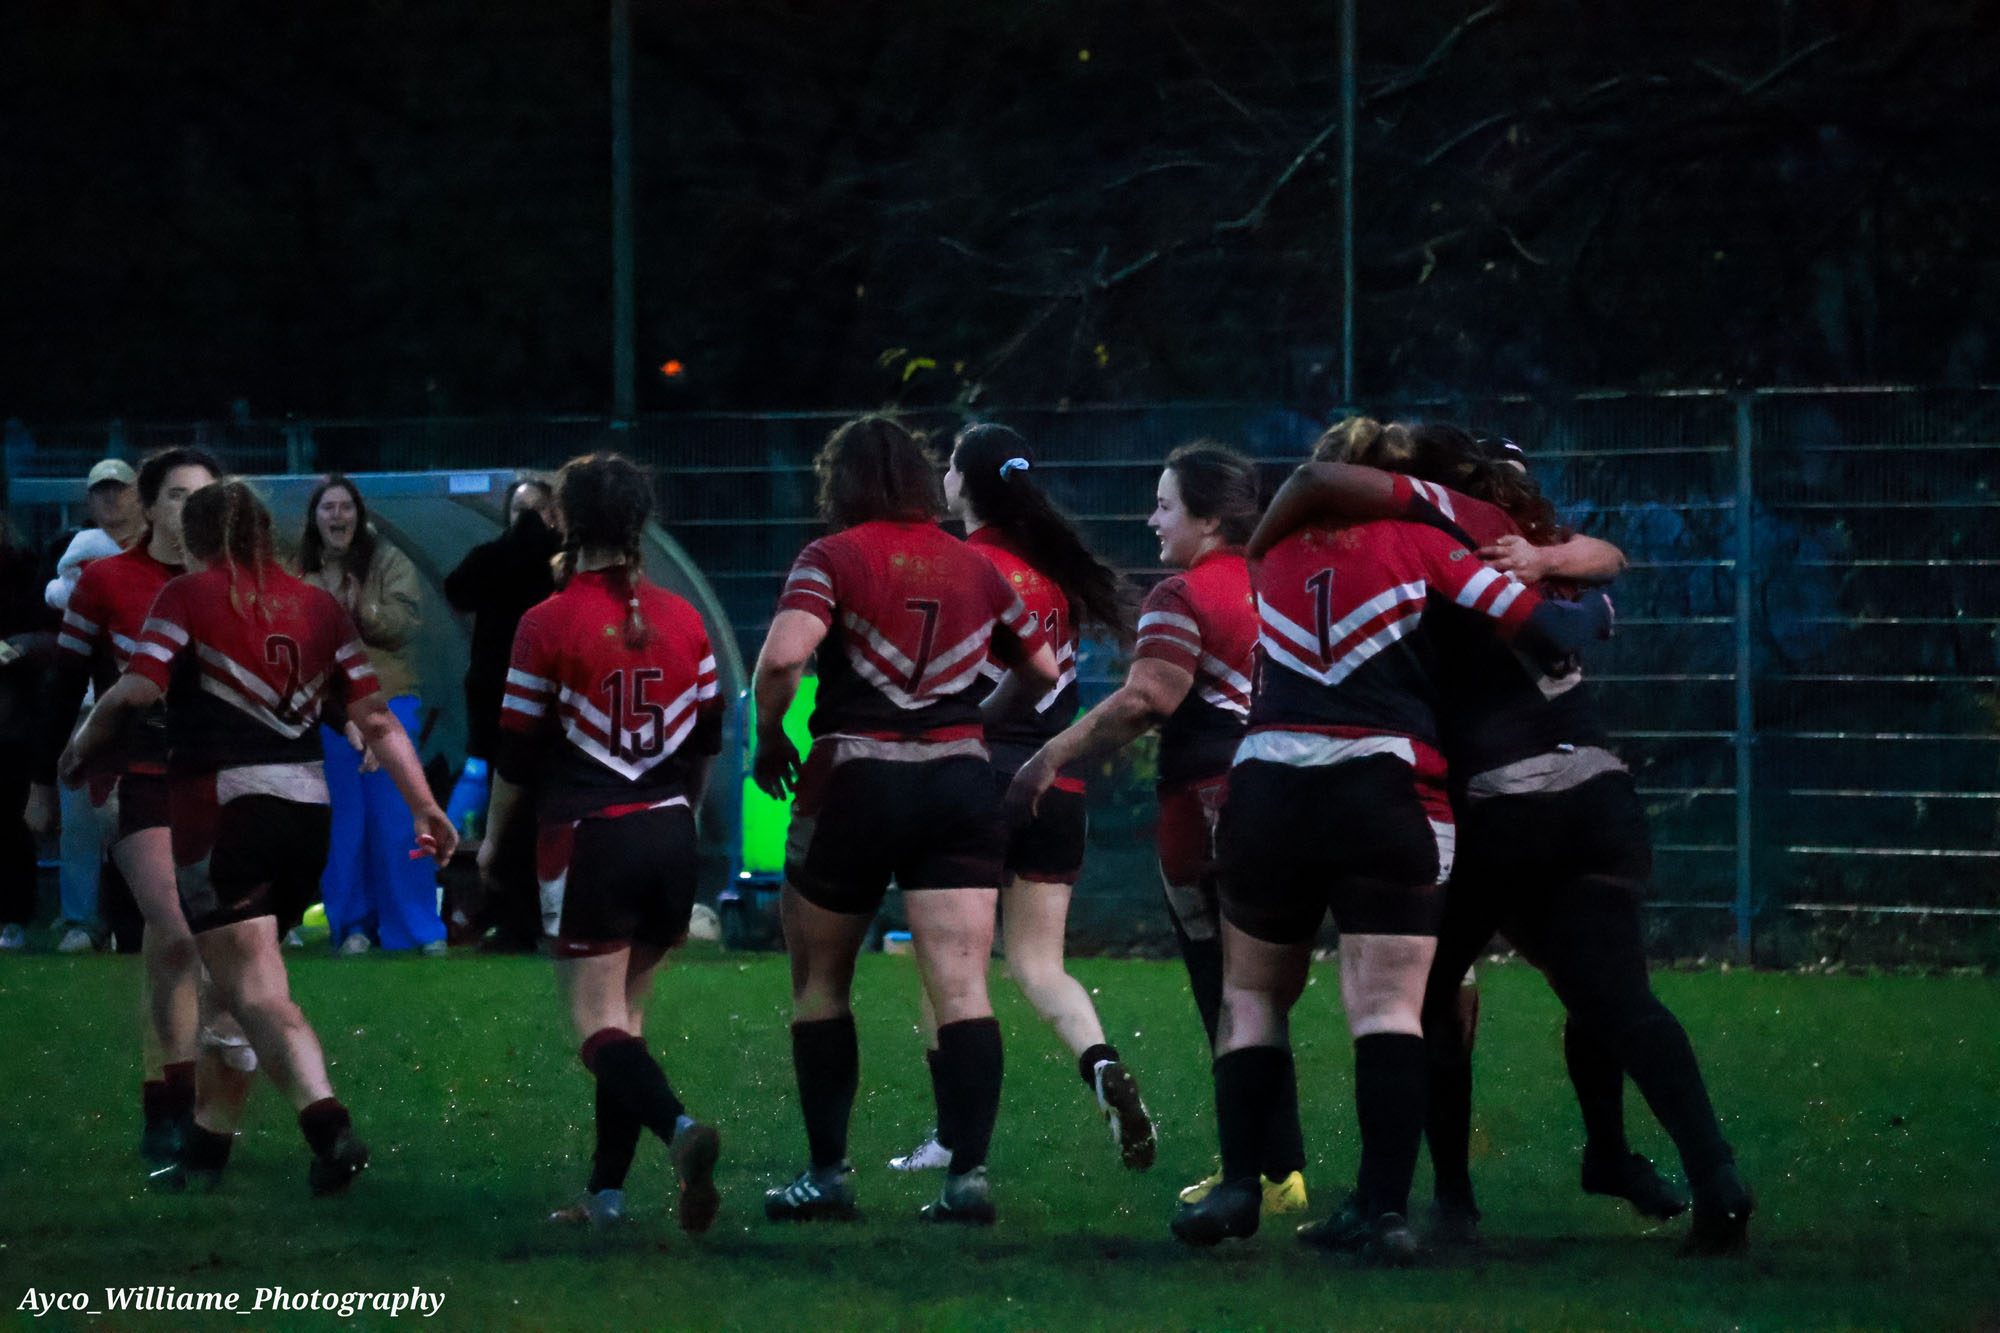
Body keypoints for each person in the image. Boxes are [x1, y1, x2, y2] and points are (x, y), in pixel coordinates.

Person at [1254, 419, 1754, 1254]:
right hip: (1597, 790)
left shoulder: (1428, 545)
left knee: (1417, 996)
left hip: (1503, 804)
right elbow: (1600, 574)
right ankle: (1711, 1173)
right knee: (1613, 993)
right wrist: (1580, 585)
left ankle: (1434, 1200)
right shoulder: (1527, 545)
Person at [1167, 419, 1614, 1262]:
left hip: (1270, 781)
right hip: (1389, 785)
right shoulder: (1424, 543)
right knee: (1389, 1007)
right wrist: (1593, 607)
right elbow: (1543, 629)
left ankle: (1239, 1185)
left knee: (1251, 996)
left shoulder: (1270, 552)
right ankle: (1383, 1209)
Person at [60, 479, 457, 1194]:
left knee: (252, 989)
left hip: (225, 809)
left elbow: (140, 688)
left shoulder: (187, 595)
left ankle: (326, 1122)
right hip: (308, 813)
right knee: (239, 989)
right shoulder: (318, 603)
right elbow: (375, 719)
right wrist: (425, 804)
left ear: (195, 541)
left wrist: (83, 743)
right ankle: (207, 1152)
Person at [753, 415, 1057, 1225]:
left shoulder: (833, 556)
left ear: (841, 480)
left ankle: (828, 1174)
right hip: (958, 785)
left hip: (854, 780)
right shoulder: (975, 564)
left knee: (822, 981)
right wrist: (975, 721)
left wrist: (770, 737)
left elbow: (782, 657)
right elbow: (1042, 669)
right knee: (962, 985)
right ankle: (967, 1179)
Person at [1007, 442, 1310, 1216]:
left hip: (1210, 811)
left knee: (1229, 996)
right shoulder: (1285, 580)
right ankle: (1285, 1172)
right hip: (1295, 802)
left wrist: (1049, 755)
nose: (1152, 519)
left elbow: (1147, 698)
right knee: (1267, 995)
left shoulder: (1184, 593)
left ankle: (1253, 1174)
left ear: (1208, 520)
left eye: (1166, 505)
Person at [888, 423, 1155, 1176]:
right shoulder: (1052, 574)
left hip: (975, 778)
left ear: (965, 482)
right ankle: (1100, 1061)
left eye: (949, 465)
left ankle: (953, 1141)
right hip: (1055, 782)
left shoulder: (961, 565)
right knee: (1040, 964)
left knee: (950, 968)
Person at [479, 454, 725, 1232]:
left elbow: (516, 754)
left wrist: (490, 841)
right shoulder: (685, 617)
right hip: (670, 832)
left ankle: (681, 1129)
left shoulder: (546, 620)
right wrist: (684, 815)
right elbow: (707, 740)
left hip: (591, 835)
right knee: (627, 1022)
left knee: (595, 1024)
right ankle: (606, 1195)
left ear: (563, 518)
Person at [29, 448, 235, 1169]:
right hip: (133, 773)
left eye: (205, 495)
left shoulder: (230, 583)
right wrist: (42, 781)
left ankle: (171, 1103)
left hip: (216, 778)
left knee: (188, 948)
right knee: (177, 931)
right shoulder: (107, 581)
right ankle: (174, 1107)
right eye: (178, 495)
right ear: (147, 507)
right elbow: (64, 685)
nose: (193, 508)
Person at [296, 474, 446, 956]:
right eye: (328, 507)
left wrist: (363, 604)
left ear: (359, 516)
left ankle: (417, 929)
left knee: (400, 819)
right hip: (329, 710)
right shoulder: (299, 568)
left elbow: (403, 626)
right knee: (345, 826)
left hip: (388, 699)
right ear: (314, 517)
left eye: (346, 507)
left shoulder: (389, 560)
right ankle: (352, 926)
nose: (338, 516)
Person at [444, 476, 559, 951]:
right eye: (519, 511)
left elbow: (457, 590)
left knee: (527, 813)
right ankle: (520, 915)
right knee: (515, 813)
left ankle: (528, 916)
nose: (527, 521)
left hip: (531, 707)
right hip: (508, 708)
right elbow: (458, 590)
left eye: (535, 510)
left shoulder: (554, 563)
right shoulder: (506, 559)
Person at [38, 457, 148, 953]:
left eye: (119, 489)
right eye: (102, 491)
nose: (111, 498)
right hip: (83, 703)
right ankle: (81, 919)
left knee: (142, 817)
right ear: (89, 499)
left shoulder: (160, 553)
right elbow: (52, 614)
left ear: (138, 495)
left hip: (146, 705)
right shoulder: (71, 554)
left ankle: (142, 920)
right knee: (81, 817)